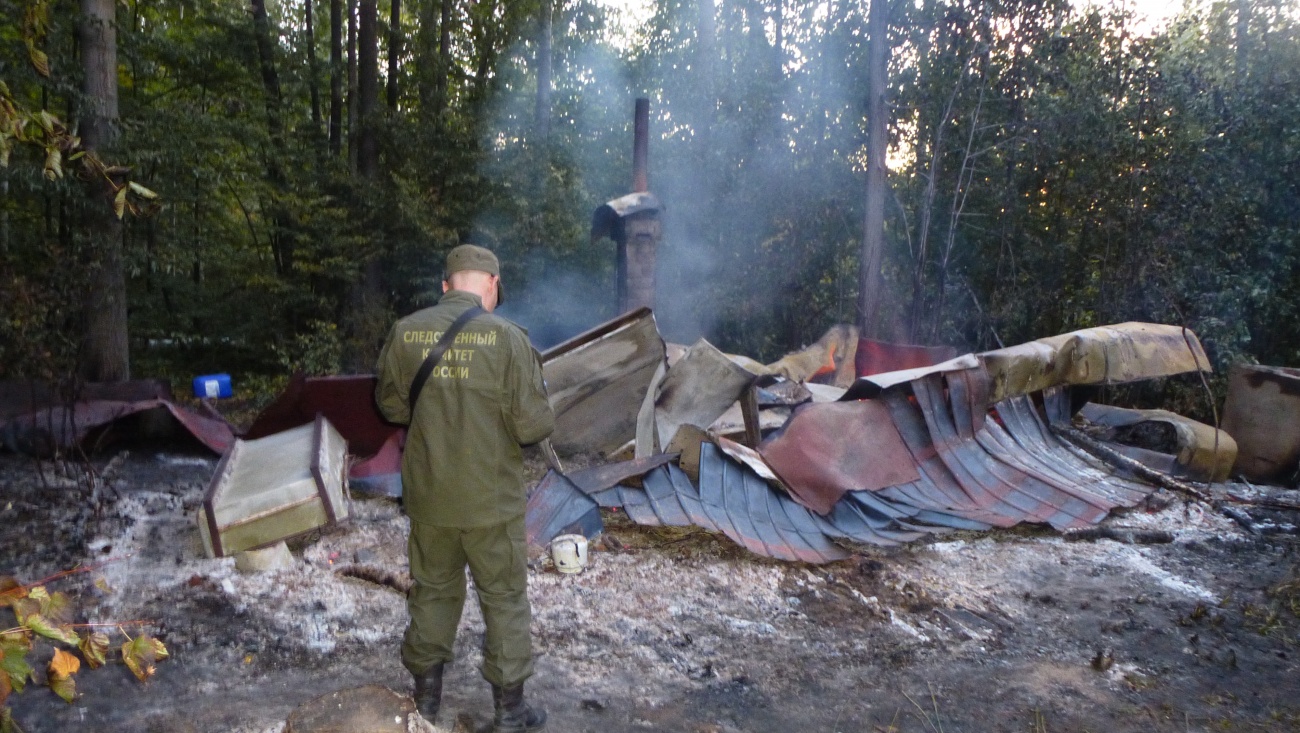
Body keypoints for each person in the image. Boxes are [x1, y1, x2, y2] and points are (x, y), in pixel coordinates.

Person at [375, 244, 554, 732]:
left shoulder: (406, 332)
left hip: (430, 496)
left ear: (446, 284)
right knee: (504, 598)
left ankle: (426, 704)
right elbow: (533, 427)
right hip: (491, 501)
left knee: (432, 591)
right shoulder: (509, 339)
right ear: (491, 284)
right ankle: (511, 711)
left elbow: (392, 408)